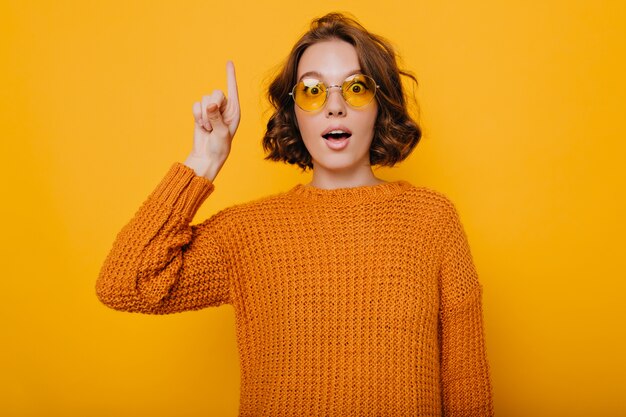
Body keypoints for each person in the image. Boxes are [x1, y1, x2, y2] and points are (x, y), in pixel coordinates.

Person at [96, 12, 494, 417]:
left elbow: (465, 383)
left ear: (381, 105)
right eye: (312, 90)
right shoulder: (248, 232)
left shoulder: (431, 220)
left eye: (356, 88)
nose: (334, 106)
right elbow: (126, 283)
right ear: (294, 111)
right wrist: (204, 159)